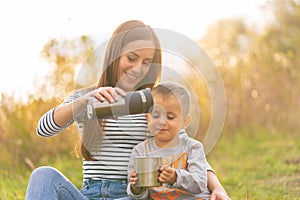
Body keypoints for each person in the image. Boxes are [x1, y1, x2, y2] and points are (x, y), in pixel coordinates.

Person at [25, 20, 230, 200]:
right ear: (115, 55)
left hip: (130, 195)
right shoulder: (87, 99)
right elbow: (43, 129)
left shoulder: (152, 102)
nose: (138, 68)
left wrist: (218, 188)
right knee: (43, 175)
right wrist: (83, 103)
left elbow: (187, 148)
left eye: (146, 62)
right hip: (88, 194)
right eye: (131, 58)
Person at [127, 81, 211, 199]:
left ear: (184, 122)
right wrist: (136, 188)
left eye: (170, 117)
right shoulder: (141, 151)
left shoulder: (192, 147)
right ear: (148, 118)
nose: (162, 121)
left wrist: (176, 178)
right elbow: (140, 196)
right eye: (156, 115)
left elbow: (200, 183)